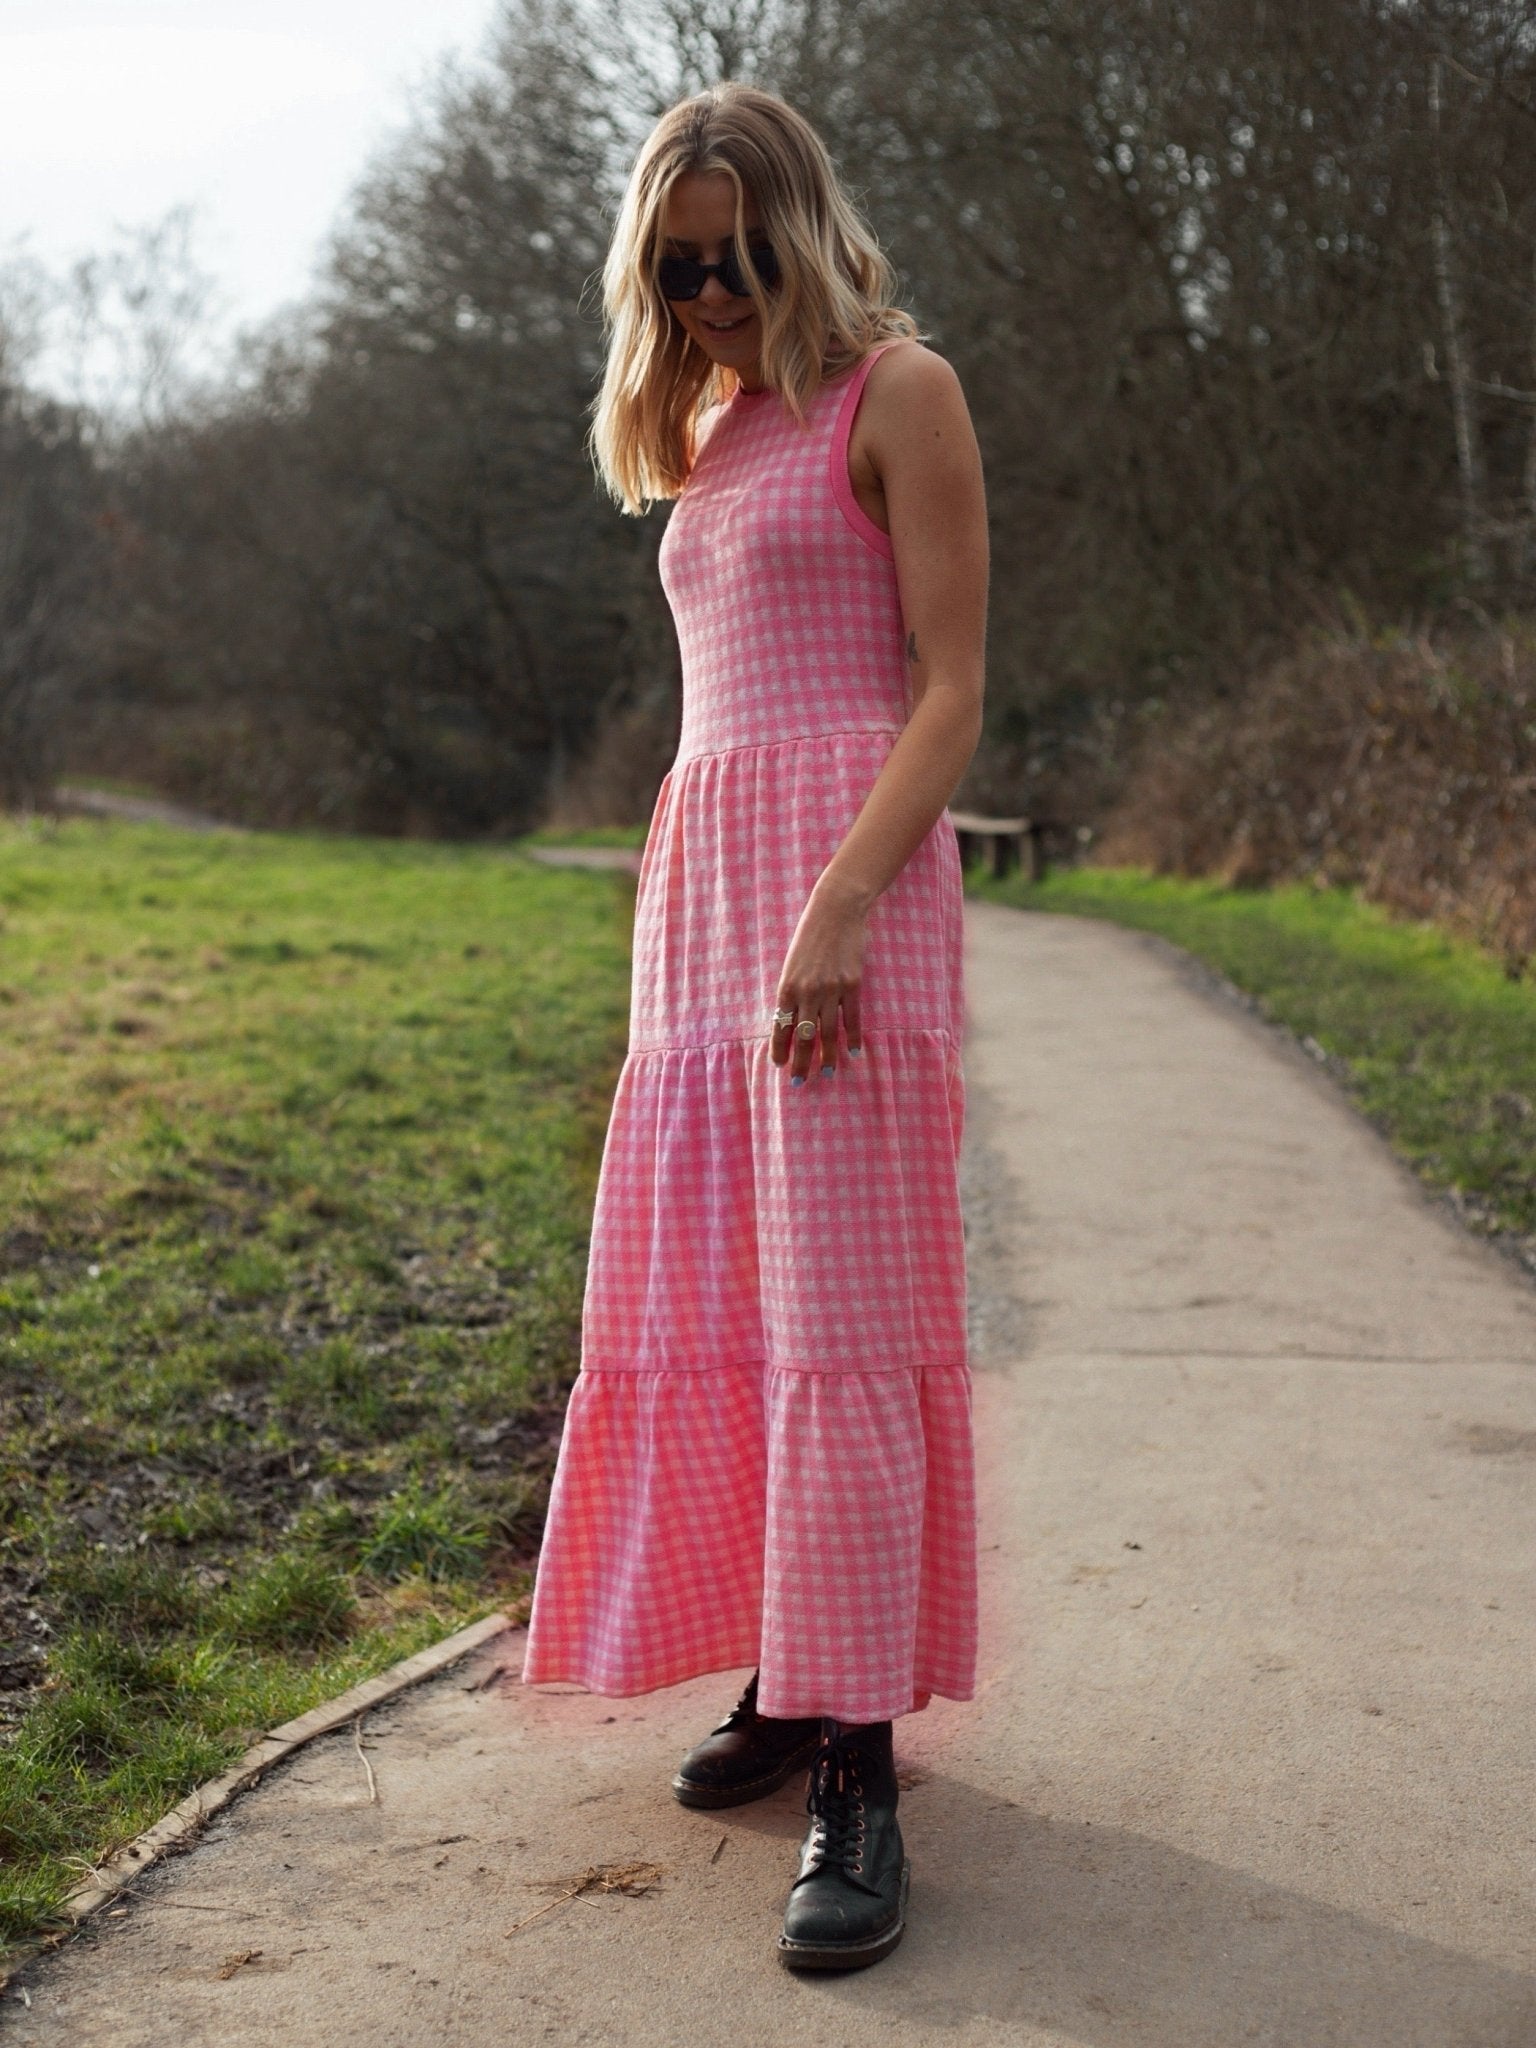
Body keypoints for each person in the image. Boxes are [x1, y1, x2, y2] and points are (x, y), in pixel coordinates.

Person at [522, 78, 989, 1972]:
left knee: (848, 1324)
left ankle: (861, 1769)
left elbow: (949, 693)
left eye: (733, 254)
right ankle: (798, 1674)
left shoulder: (906, 395)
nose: (708, 291)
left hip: (841, 900)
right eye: (675, 262)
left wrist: (842, 908)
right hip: (704, 901)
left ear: (799, 228)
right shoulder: (706, 425)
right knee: (727, 1303)